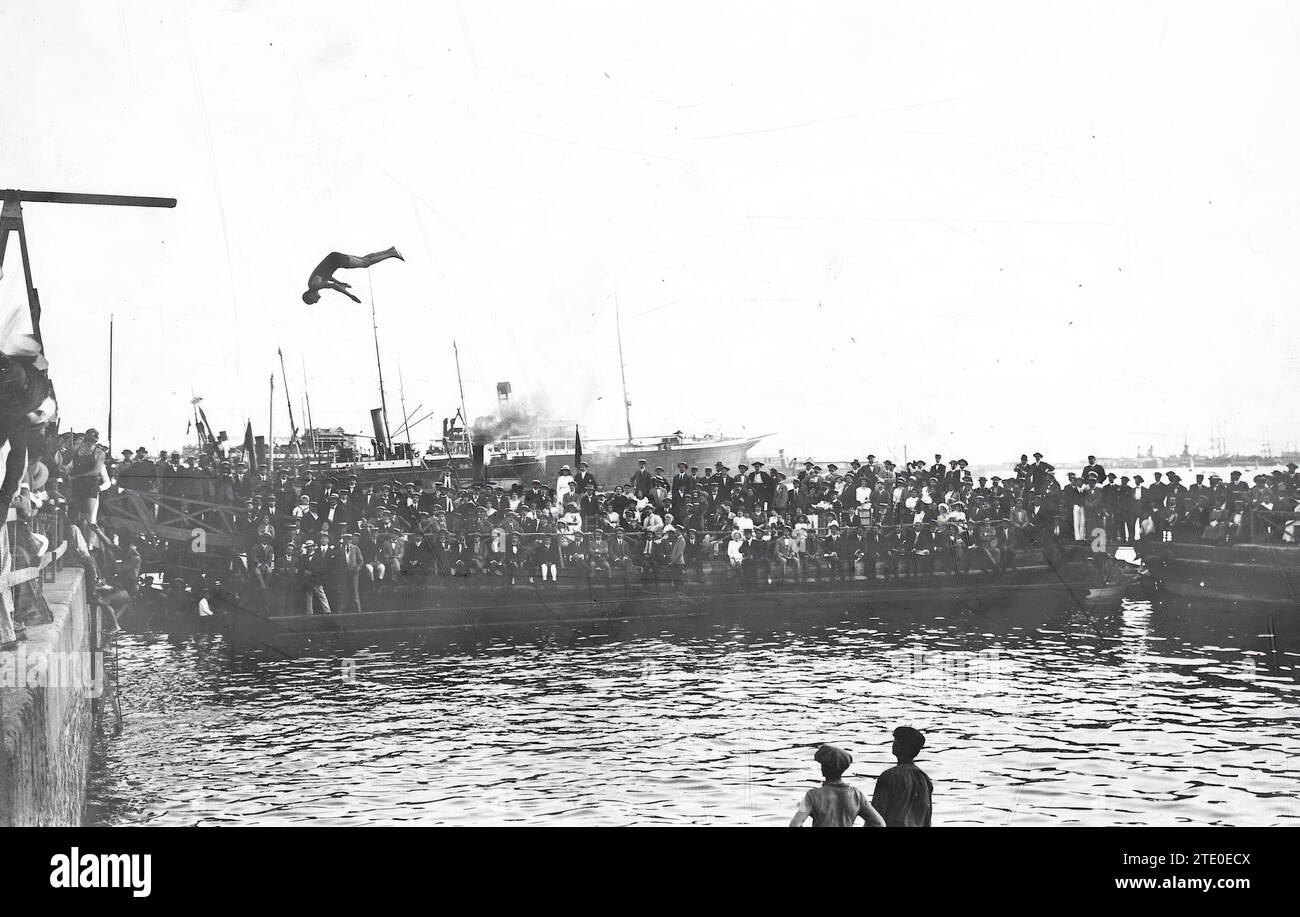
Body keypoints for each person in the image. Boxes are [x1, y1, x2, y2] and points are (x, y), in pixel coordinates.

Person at [788, 745, 885, 827]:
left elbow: (795, 824)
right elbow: (879, 823)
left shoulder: (812, 795)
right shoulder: (856, 795)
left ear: (823, 768)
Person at [871, 726, 933, 827]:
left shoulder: (889, 776)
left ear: (904, 746)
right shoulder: (925, 779)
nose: (894, 743)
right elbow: (927, 818)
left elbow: (875, 817)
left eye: (898, 739)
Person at [301, 248, 404, 304]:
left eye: (313, 301)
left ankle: (392, 253)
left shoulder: (313, 286)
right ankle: (390, 251)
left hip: (336, 260)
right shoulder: (314, 284)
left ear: (310, 296)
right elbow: (326, 276)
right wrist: (340, 283)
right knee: (365, 260)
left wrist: (350, 296)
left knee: (365, 263)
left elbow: (331, 285)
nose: (316, 301)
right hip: (334, 258)